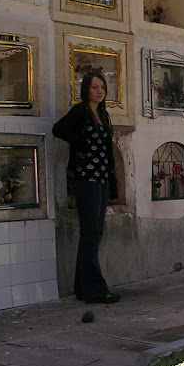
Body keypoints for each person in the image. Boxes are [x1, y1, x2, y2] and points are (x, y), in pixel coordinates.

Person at [52, 71, 120, 304]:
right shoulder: (80, 111)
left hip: (101, 179)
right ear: (86, 90)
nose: (99, 91)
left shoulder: (103, 114)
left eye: (102, 87)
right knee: (90, 233)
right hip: (86, 178)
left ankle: (83, 288)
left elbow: (109, 152)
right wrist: (81, 145)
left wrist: (113, 186)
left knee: (94, 233)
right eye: (94, 87)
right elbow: (59, 129)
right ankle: (95, 289)